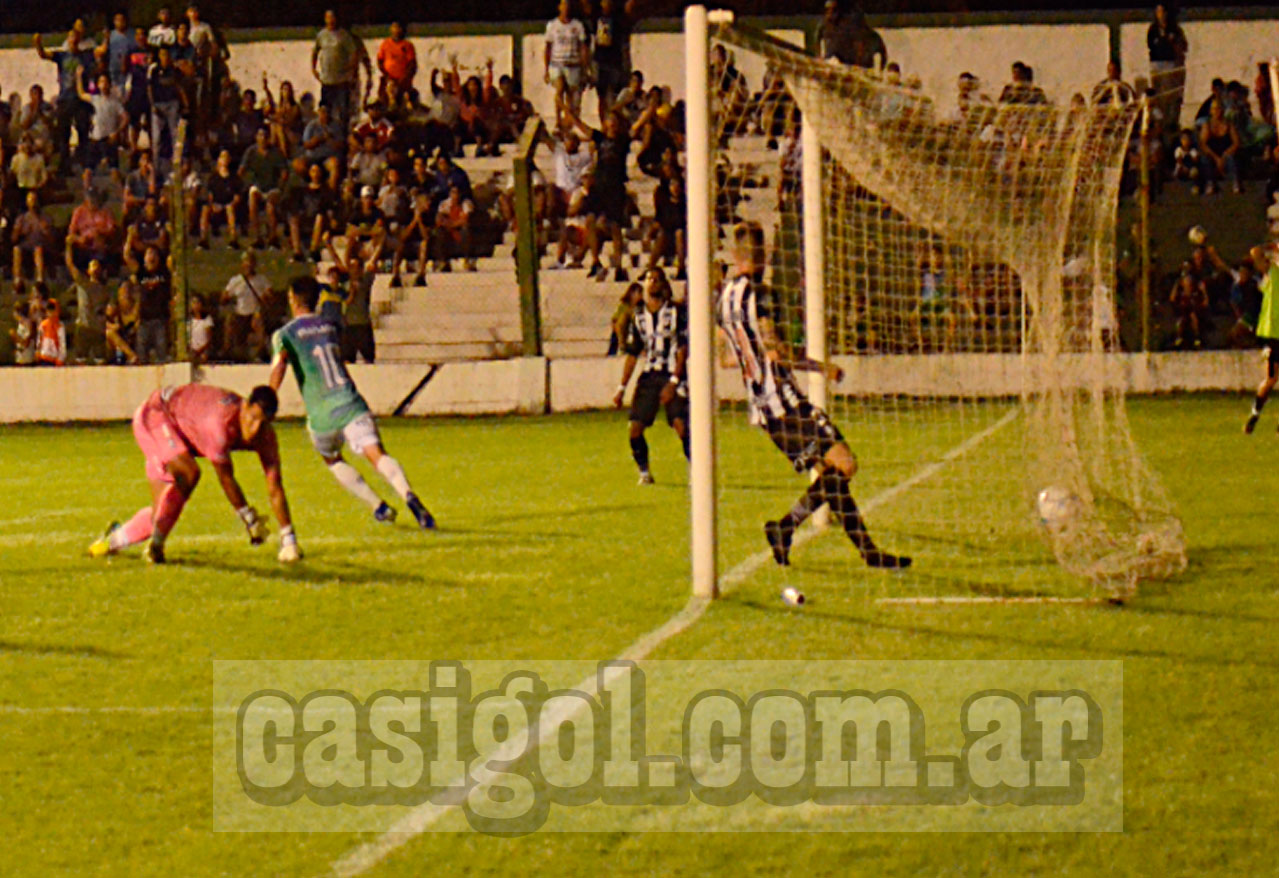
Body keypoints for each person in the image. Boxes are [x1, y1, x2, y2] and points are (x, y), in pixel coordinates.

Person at [717, 222, 910, 570]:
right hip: (785, 401)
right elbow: (777, 351)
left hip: (762, 411)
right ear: (763, 253)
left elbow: (726, 359)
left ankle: (868, 552)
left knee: (831, 479)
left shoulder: (723, 299)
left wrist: (753, 357)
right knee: (845, 464)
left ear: (735, 253)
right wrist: (822, 368)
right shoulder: (761, 293)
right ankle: (785, 526)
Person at [269, 275, 435, 529]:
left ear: (292, 299)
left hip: (321, 413)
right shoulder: (330, 326)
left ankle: (378, 506)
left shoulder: (284, 334)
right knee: (376, 454)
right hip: (350, 402)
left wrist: (270, 394)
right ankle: (408, 495)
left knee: (332, 458)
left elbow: (280, 364)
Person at [88, 383, 299, 564]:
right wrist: (249, 519)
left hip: (177, 429)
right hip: (155, 415)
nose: (255, 429)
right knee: (189, 472)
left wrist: (288, 538)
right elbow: (226, 478)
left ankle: (110, 541)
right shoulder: (219, 423)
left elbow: (275, 485)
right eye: (252, 418)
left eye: (263, 423)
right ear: (244, 406)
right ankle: (156, 547)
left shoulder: (266, 436)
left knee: (159, 517)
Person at [613, 268, 690, 484]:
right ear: (644, 285)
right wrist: (621, 388)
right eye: (649, 279)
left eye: (657, 279)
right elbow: (633, 354)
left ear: (664, 284)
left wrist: (674, 382)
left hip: (673, 375)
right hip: (650, 376)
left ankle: (697, 469)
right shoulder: (638, 316)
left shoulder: (676, 312)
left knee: (681, 425)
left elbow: (682, 349)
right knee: (634, 429)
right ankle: (644, 472)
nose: (653, 282)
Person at [33, 28, 93, 171]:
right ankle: (65, 163)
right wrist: (38, 44)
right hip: (65, 98)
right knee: (64, 132)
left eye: (75, 38)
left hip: (80, 98)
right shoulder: (62, 55)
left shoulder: (85, 56)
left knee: (83, 129)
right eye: (71, 37)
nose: (73, 40)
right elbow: (43, 54)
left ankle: (83, 160)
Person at [1244, 245, 1279, 433]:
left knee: (1271, 379)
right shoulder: (1272, 271)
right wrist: (1270, 247)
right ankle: (1255, 414)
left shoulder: (1272, 271)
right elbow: (1255, 252)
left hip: (1272, 332)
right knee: (1271, 378)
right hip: (1273, 332)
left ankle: (1255, 415)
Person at [544, 0, 590, 130]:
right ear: (559, 7)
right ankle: (558, 120)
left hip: (573, 64)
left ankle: (568, 122)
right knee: (559, 89)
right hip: (557, 64)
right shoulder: (552, 25)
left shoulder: (577, 26)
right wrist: (546, 69)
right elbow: (548, 47)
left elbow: (583, 47)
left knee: (571, 96)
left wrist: (585, 68)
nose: (566, 8)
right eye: (563, 5)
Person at [221, 250, 272, 362]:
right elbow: (224, 297)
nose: (248, 265)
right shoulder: (236, 280)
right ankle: (227, 350)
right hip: (240, 313)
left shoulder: (261, 279)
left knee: (259, 322)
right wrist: (227, 297)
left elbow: (269, 295)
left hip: (255, 312)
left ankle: (261, 352)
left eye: (250, 262)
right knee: (230, 321)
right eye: (246, 262)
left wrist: (265, 297)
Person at [64, 245, 112, 363]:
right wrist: (69, 246)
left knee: (100, 359)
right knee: (80, 359)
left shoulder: (105, 290)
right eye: (93, 265)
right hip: (83, 326)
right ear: (88, 270)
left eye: (97, 265)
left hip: (98, 328)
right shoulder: (83, 282)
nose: (96, 268)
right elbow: (70, 264)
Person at [1147, 3, 1188, 129]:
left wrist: (1172, 42)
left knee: (1170, 94)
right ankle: (1160, 121)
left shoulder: (1174, 29)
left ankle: (1170, 121)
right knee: (1159, 94)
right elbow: (1151, 45)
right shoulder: (1153, 29)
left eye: (1162, 12)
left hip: (1170, 63)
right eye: (1158, 12)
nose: (1160, 15)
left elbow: (1183, 46)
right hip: (1157, 63)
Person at [11, 191, 54, 284]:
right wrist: (18, 231)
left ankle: (40, 279)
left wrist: (46, 230)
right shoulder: (22, 218)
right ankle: (17, 280)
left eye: (34, 200)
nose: (33, 203)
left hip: (41, 245)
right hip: (26, 245)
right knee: (16, 249)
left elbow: (52, 239)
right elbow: (13, 239)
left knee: (38, 249)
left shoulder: (45, 218)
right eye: (30, 200)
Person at [376, 21, 417, 101]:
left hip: (403, 81)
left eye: (398, 28)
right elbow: (380, 61)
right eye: (394, 27)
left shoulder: (407, 45)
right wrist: (387, 76)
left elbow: (412, 64)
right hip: (389, 80)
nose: (396, 30)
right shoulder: (385, 44)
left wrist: (404, 78)